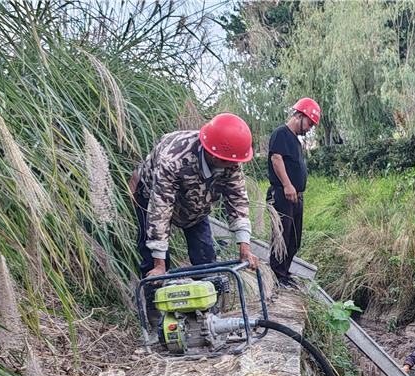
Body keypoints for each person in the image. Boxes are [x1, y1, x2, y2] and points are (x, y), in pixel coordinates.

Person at [131, 113, 259, 282]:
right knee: (153, 262)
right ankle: (153, 301)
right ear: (215, 156)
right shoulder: (173, 159)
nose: (234, 166)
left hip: (196, 202)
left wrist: (244, 247)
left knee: (205, 257)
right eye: (229, 163)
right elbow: (160, 209)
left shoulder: (231, 160)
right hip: (152, 196)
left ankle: (205, 304)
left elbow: (238, 200)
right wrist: (159, 265)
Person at [267, 97, 320, 287]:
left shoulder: (295, 141)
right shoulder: (281, 134)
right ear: (299, 116)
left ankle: (284, 272)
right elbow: (276, 159)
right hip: (282, 194)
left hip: (295, 197)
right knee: (281, 236)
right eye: (309, 124)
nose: (309, 129)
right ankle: (276, 275)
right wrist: (288, 185)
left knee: (294, 239)